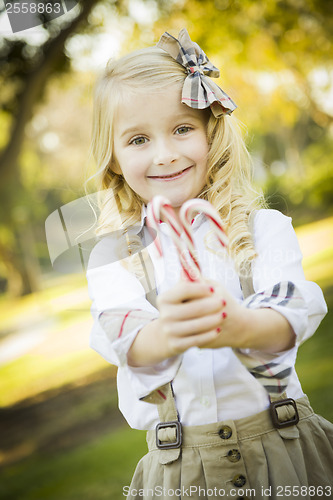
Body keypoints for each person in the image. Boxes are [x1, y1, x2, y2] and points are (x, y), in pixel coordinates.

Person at [86, 29, 332, 499]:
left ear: (209, 132)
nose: (165, 154)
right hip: (183, 473)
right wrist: (169, 330)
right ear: (114, 160)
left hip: (286, 450)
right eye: (138, 139)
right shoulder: (113, 258)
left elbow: (292, 315)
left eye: (182, 128)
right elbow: (123, 336)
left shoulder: (262, 229)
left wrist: (238, 325)